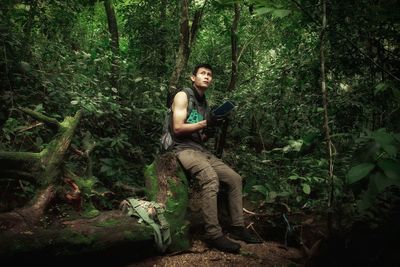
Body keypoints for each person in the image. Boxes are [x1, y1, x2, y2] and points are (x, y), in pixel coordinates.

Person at [170, 63, 262, 253]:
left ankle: (237, 227)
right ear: (192, 77)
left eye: (209, 74)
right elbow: (177, 128)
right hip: (181, 149)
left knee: (235, 179)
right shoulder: (183, 95)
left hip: (200, 149)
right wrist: (206, 122)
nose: (206, 77)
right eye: (202, 73)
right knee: (210, 178)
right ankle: (213, 234)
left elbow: (201, 136)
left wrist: (211, 129)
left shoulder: (205, 105)